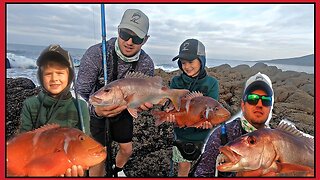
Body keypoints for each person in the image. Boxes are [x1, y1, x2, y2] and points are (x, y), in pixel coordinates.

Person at [76, 9, 154, 177]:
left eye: (138, 38)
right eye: (125, 33)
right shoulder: (96, 54)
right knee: (98, 156)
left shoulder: (146, 63)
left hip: (125, 110)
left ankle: (116, 170)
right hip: (96, 111)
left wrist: (143, 105)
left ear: (145, 40)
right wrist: (95, 110)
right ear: (118, 30)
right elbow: (81, 91)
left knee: (126, 149)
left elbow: (147, 95)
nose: (130, 41)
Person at [20, 44, 91, 177]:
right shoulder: (31, 105)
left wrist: (79, 169)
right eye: (48, 74)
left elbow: (85, 145)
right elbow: (23, 142)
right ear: (41, 77)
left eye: (60, 73)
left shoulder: (80, 106)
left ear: (69, 76)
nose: (54, 79)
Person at [193, 72, 274, 177]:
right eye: (252, 98)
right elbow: (201, 175)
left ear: (270, 107)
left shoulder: (278, 140)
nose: (259, 104)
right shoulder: (221, 136)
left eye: (266, 100)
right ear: (243, 105)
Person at [168, 39, 219, 177]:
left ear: (201, 61)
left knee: (204, 168)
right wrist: (170, 115)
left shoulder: (212, 83)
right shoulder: (176, 82)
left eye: (191, 62)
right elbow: (172, 106)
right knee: (183, 167)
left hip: (205, 137)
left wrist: (208, 123)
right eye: (183, 63)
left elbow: (213, 110)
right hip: (181, 134)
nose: (187, 66)